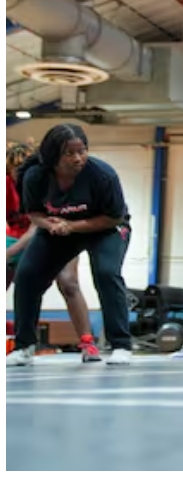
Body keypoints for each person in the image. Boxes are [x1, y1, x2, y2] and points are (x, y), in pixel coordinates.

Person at [7, 124, 134, 367]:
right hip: (60, 229)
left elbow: (113, 217)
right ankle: (24, 346)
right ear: (53, 155)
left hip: (105, 228)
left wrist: (72, 226)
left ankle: (121, 344)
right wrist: (49, 224)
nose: (78, 158)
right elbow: (34, 213)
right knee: (27, 275)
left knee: (106, 273)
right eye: (70, 153)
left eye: (82, 151)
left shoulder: (102, 175)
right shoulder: (35, 176)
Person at [6, 141, 99, 362]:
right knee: (18, 281)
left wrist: (8, 254)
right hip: (16, 236)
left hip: (55, 234)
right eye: (15, 174)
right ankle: (24, 344)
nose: (20, 178)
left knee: (68, 282)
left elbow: (37, 226)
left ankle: (88, 343)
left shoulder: (46, 182)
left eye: (24, 173)